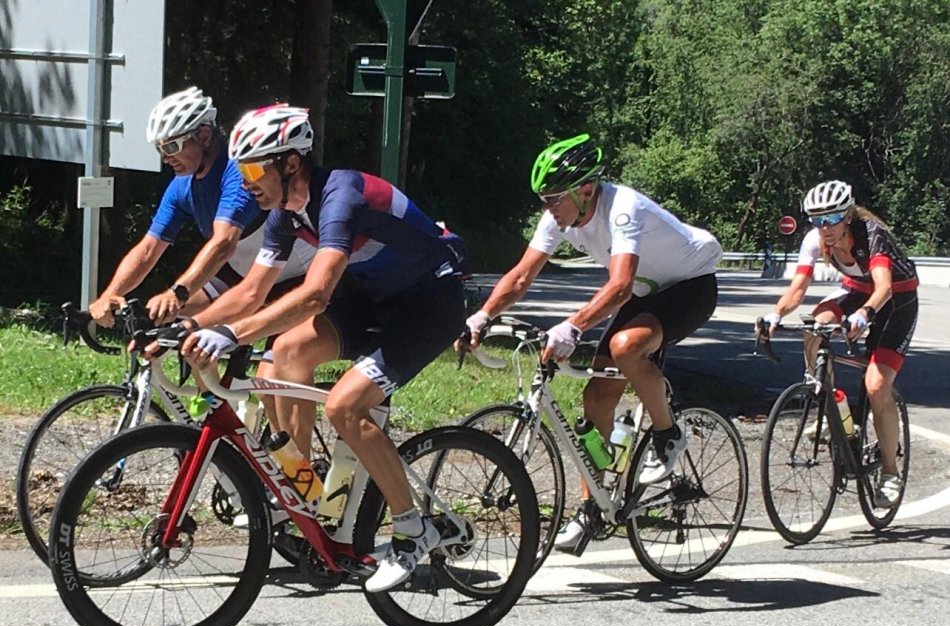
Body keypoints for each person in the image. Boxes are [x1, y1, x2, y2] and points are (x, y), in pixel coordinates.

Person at [181, 104, 469, 592]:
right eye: (241, 172)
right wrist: (186, 325)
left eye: (254, 171)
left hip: (430, 302)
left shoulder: (342, 197)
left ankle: (411, 528)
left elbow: (315, 295)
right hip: (376, 298)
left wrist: (231, 335)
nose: (247, 184)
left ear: (290, 163)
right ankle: (304, 489)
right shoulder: (284, 215)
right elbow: (250, 293)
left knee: (345, 406)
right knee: (286, 351)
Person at [458, 133, 722, 552]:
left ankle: (668, 434)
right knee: (596, 397)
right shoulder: (559, 216)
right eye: (543, 199)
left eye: (554, 198)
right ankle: (592, 509)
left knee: (625, 348)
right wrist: (482, 316)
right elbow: (521, 276)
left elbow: (619, 286)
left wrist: (573, 326)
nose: (548, 207)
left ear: (585, 190)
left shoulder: (623, 208)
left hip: (690, 286)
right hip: (646, 294)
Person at [88, 87, 314, 326]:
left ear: (204, 136)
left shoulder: (238, 172)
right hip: (242, 275)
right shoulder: (181, 186)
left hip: (296, 277)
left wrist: (178, 292)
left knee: (280, 348)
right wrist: (110, 294)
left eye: (171, 147)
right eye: (160, 149)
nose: (165, 157)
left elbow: (223, 243)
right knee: (161, 325)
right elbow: (148, 249)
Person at [760, 180, 918, 508]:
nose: (825, 228)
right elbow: (797, 289)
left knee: (876, 386)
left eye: (831, 219)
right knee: (815, 326)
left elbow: (884, 288)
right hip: (856, 290)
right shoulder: (814, 240)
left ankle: (890, 472)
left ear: (847, 215)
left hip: (896, 300)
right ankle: (832, 405)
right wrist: (775, 314)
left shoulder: (872, 234)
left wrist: (864, 314)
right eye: (817, 220)